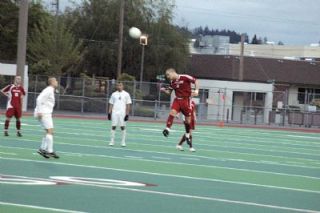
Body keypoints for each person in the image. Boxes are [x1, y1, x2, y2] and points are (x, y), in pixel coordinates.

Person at [161, 68, 199, 145]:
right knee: (172, 112)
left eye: (168, 75)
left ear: (173, 72)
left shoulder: (185, 77)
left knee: (187, 121)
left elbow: (196, 81)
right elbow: (169, 92)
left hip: (186, 101)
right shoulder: (172, 82)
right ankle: (167, 129)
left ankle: (188, 134)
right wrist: (164, 90)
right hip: (177, 100)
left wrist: (197, 90)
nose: (168, 77)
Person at [34, 77, 59, 159]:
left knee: (48, 131)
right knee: (50, 131)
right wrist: (40, 111)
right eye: (55, 81)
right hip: (44, 113)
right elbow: (39, 99)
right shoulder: (49, 90)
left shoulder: (51, 90)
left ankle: (42, 149)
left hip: (45, 113)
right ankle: (50, 151)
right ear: (52, 82)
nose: (57, 82)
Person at [108, 82, 132, 147]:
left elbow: (128, 105)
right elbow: (111, 104)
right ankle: (112, 141)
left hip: (122, 113)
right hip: (114, 112)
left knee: (122, 127)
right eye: (118, 85)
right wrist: (109, 113)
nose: (119, 86)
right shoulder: (113, 94)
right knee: (113, 126)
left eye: (120, 85)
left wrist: (127, 114)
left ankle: (123, 142)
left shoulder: (126, 94)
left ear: (123, 86)